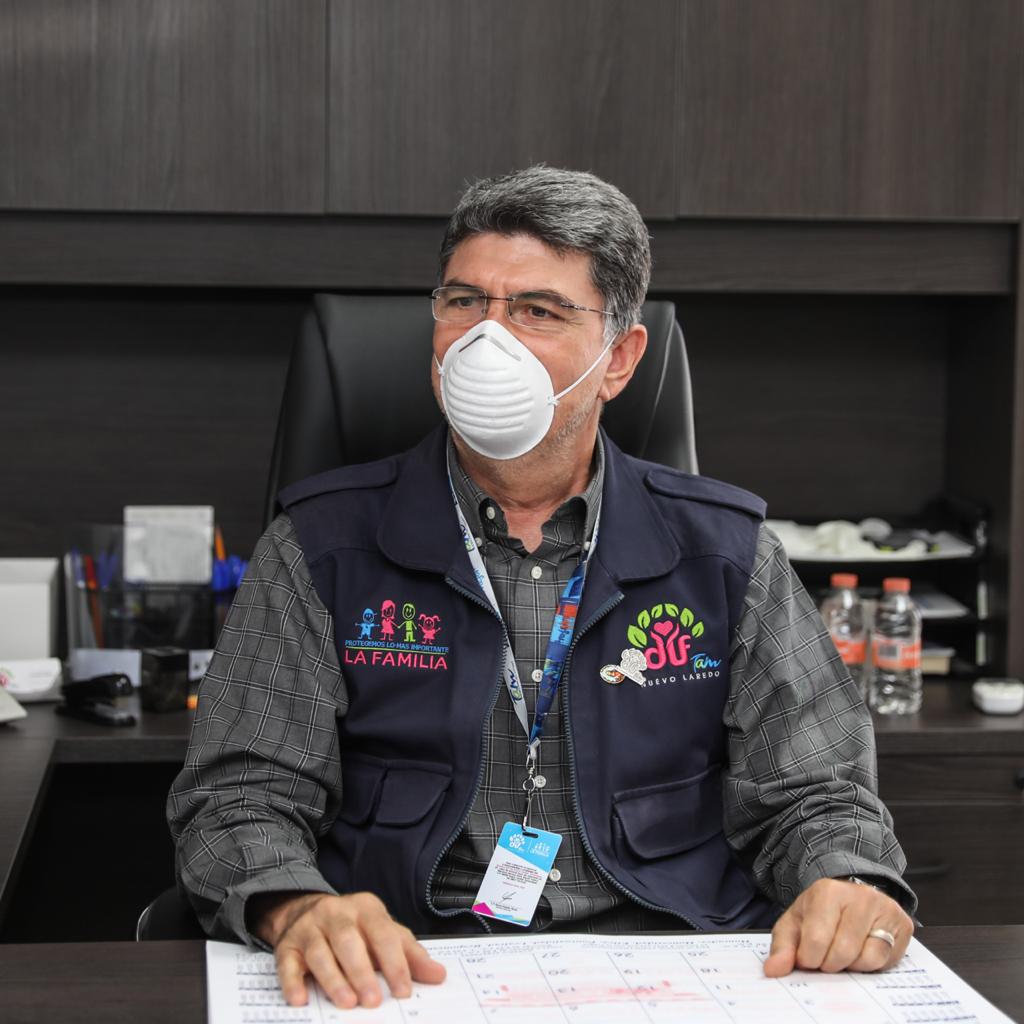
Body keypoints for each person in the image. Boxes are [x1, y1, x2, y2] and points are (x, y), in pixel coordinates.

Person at [168, 165, 916, 1010]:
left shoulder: (725, 553)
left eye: (538, 310)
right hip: (412, 966)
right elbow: (239, 798)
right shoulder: (321, 544)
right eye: (463, 302)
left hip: (670, 965)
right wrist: (296, 906)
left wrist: (849, 882)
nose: (487, 339)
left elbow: (816, 794)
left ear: (618, 359)